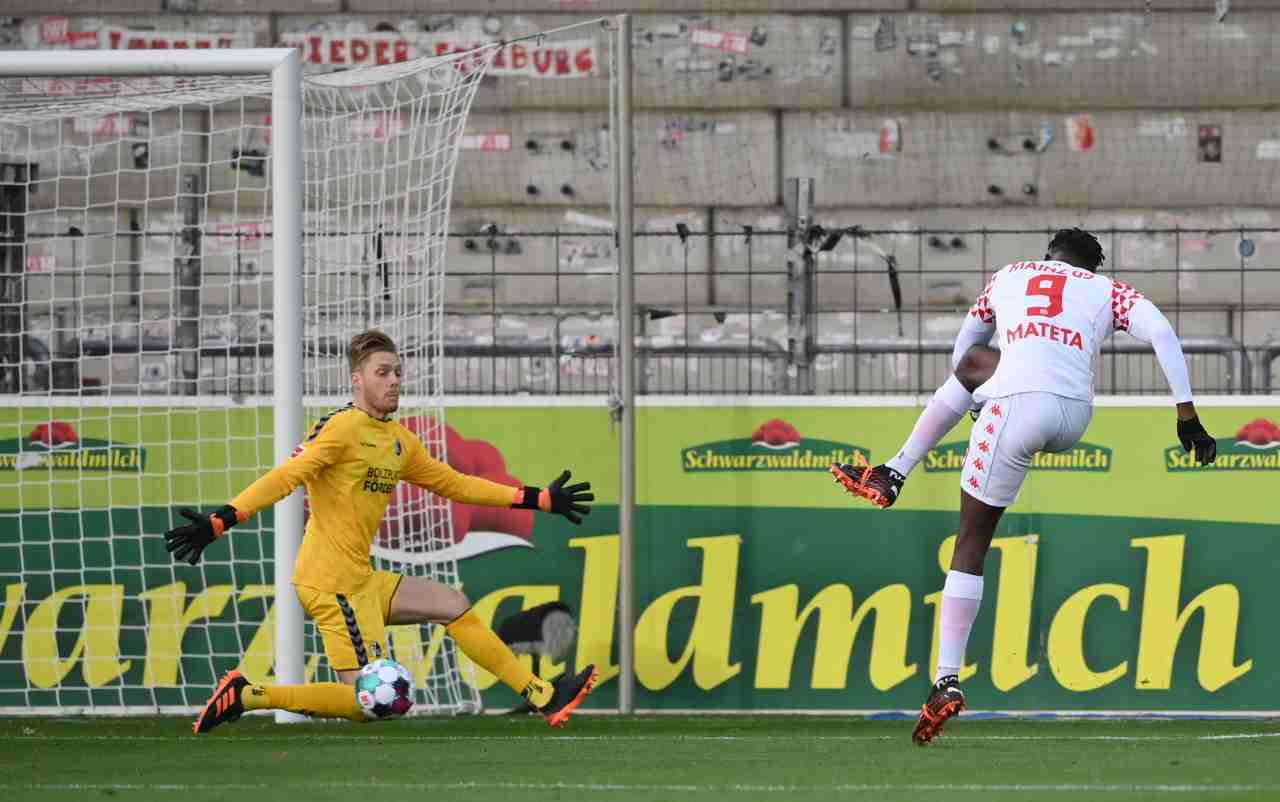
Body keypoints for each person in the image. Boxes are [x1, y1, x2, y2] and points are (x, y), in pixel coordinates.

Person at [830, 228, 1218, 744]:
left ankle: (945, 679)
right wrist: (1186, 414)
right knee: (976, 374)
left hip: (1015, 409)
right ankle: (893, 471)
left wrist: (981, 400)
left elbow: (965, 350)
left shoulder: (1010, 275)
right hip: (1073, 414)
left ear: (1048, 256)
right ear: (1091, 268)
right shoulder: (1109, 291)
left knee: (970, 544)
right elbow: (1164, 334)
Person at [164, 330, 598, 733]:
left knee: (453, 604)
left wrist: (537, 498)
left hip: (362, 579)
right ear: (357, 380)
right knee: (372, 702)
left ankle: (544, 696)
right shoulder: (340, 429)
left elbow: (455, 483)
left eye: (397, 373)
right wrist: (222, 519)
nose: (394, 381)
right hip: (330, 582)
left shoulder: (398, 441)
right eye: (382, 372)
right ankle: (248, 695)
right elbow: (287, 476)